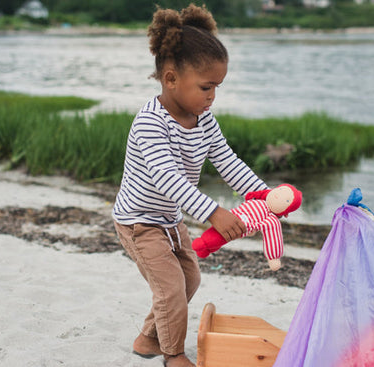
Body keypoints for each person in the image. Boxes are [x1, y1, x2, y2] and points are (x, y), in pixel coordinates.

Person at [112, 4, 269, 367]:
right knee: (169, 290)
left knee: (189, 280)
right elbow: (168, 179)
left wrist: (262, 194)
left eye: (217, 87)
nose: (212, 95)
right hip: (139, 222)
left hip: (169, 220)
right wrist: (214, 213)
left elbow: (227, 160)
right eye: (206, 86)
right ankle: (172, 354)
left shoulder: (203, 118)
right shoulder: (150, 124)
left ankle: (148, 338)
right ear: (170, 79)